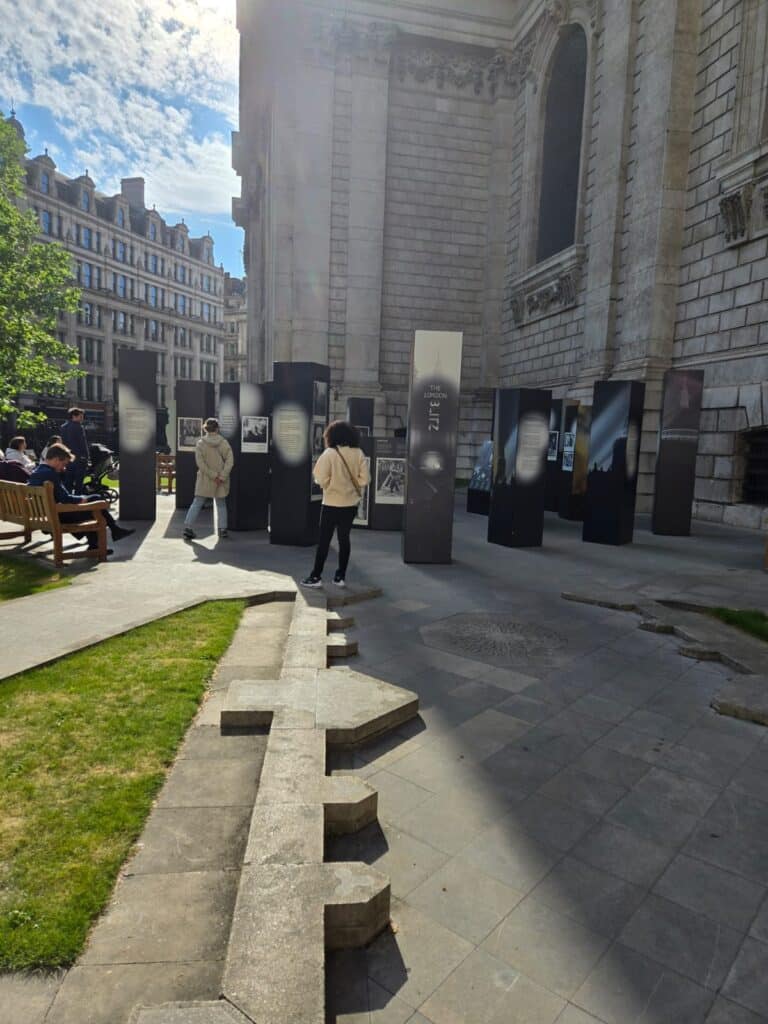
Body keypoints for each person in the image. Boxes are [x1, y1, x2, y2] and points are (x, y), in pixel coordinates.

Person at [27, 444, 134, 552]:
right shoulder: (50, 474)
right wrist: (82, 499)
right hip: (56, 515)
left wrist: (82, 498)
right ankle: (108, 535)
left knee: (93, 502)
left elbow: (60, 497)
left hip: (46, 514)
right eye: (64, 464)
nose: (64, 468)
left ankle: (107, 535)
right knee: (95, 503)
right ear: (56, 459)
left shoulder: (37, 471)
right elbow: (65, 498)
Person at [302, 421, 369, 588]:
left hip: (331, 503)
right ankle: (340, 577)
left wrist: (329, 485)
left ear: (331, 436)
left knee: (324, 540)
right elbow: (365, 479)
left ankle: (316, 576)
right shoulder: (358, 453)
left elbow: (319, 477)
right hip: (350, 504)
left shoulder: (330, 453)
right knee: (344, 539)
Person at [183, 418, 234, 540]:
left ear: (206, 428)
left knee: (197, 503)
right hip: (221, 479)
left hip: (205, 478)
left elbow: (200, 463)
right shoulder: (223, 443)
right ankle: (223, 529)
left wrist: (212, 475)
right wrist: (221, 476)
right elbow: (230, 461)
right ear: (217, 428)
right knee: (221, 504)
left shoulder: (201, 443)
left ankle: (188, 528)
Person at [60, 408, 89, 492]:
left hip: (68, 457)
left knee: (68, 481)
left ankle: (67, 501)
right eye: (80, 416)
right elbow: (82, 443)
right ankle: (78, 500)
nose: (82, 419)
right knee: (79, 482)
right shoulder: (78, 426)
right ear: (74, 416)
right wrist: (86, 456)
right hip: (79, 457)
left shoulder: (63, 427)